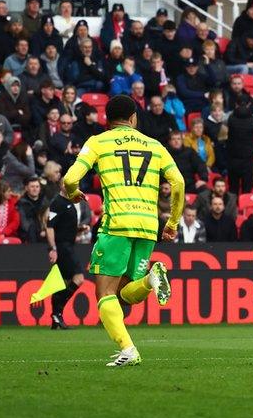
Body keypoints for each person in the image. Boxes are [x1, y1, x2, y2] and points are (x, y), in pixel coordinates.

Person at [61, 95, 182, 366]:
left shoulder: (97, 142)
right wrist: (172, 222)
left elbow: (70, 178)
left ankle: (128, 349)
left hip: (117, 223)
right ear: (133, 118)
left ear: (107, 119)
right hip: (148, 226)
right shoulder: (155, 145)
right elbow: (178, 182)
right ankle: (152, 279)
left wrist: (73, 193)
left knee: (104, 294)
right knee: (126, 294)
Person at [45, 180, 87, 330]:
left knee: (64, 282)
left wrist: (79, 230)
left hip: (68, 245)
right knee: (79, 278)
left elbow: (63, 226)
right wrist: (53, 248)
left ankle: (56, 316)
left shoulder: (69, 202)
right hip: (63, 247)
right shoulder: (57, 202)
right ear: (62, 186)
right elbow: (49, 227)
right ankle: (57, 312)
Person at [225, 103, 253, 193]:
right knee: (247, 188)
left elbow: (222, 136)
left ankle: (233, 205)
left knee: (233, 188)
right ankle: (246, 206)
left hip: (233, 158)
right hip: (248, 159)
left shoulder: (230, 118)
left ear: (236, 105)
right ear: (248, 105)